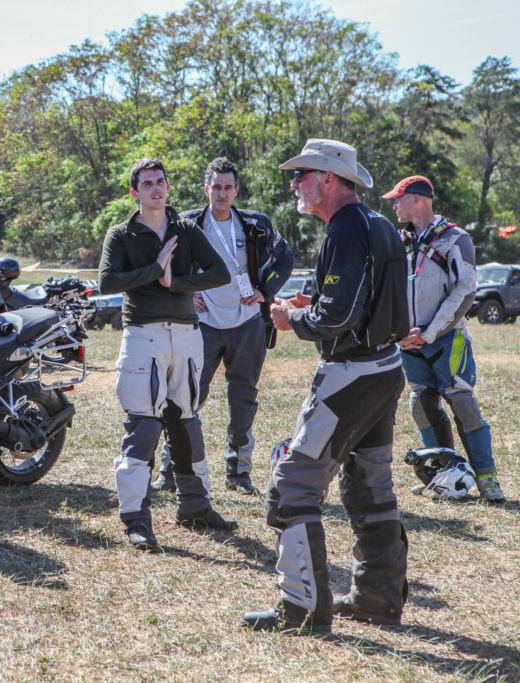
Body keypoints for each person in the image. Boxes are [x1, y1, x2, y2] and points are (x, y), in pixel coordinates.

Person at [242, 139, 409, 634]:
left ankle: (302, 610)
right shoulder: (376, 225)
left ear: (330, 179)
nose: (294, 184)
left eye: (301, 175)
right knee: (369, 486)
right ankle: (376, 598)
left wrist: (292, 318)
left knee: (290, 488)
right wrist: (312, 298)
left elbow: (339, 314)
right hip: (383, 369)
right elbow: (366, 297)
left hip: (351, 376)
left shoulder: (346, 226)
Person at [98, 158, 236, 553]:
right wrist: (153, 267)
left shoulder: (186, 230)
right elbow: (107, 282)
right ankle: (136, 520)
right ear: (134, 192)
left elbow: (220, 273)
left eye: (160, 181)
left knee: (186, 421)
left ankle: (194, 506)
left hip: (188, 336)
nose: (156, 188)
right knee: (143, 426)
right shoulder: (121, 234)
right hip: (144, 335)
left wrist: (176, 282)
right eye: (147, 183)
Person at [153, 157, 294, 496]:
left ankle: (239, 473)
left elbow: (285, 257)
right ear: (206, 189)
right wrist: (186, 292)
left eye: (228, 187)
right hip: (201, 326)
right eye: (216, 187)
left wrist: (266, 291)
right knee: (185, 397)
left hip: (247, 325)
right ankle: (170, 472)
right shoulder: (187, 223)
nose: (222, 193)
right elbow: (162, 262)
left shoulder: (255, 224)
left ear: (236, 190)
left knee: (243, 399)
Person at [383, 175, 505, 503]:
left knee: (463, 404)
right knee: (421, 404)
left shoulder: (455, 238)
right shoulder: (399, 240)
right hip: (410, 342)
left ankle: (487, 478)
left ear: (419, 200)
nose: (394, 204)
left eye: (399, 198)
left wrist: (430, 331)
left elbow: (465, 291)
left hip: (447, 339)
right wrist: (400, 332)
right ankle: (443, 474)